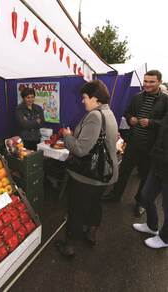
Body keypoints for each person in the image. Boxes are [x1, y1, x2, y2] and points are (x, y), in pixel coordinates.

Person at [55, 80, 118, 257]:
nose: (82, 101)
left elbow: (81, 150)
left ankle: (69, 246)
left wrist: (67, 137)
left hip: (90, 174)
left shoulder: (94, 116)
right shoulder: (108, 112)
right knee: (94, 205)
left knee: (76, 208)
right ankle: (91, 233)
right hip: (104, 174)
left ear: (95, 98)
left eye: (84, 97)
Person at [103, 70, 168, 217]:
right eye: (145, 81)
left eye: (151, 81)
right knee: (123, 171)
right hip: (133, 143)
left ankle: (140, 202)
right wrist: (130, 118)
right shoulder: (137, 97)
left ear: (159, 82)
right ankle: (115, 195)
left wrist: (151, 122)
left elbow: (166, 123)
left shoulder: (165, 100)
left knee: (145, 176)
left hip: (151, 147)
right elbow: (127, 112)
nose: (147, 84)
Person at [132, 112, 168, 248]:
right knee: (146, 195)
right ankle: (152, 226)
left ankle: (165, 238)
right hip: (159, 161)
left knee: (167, 206)